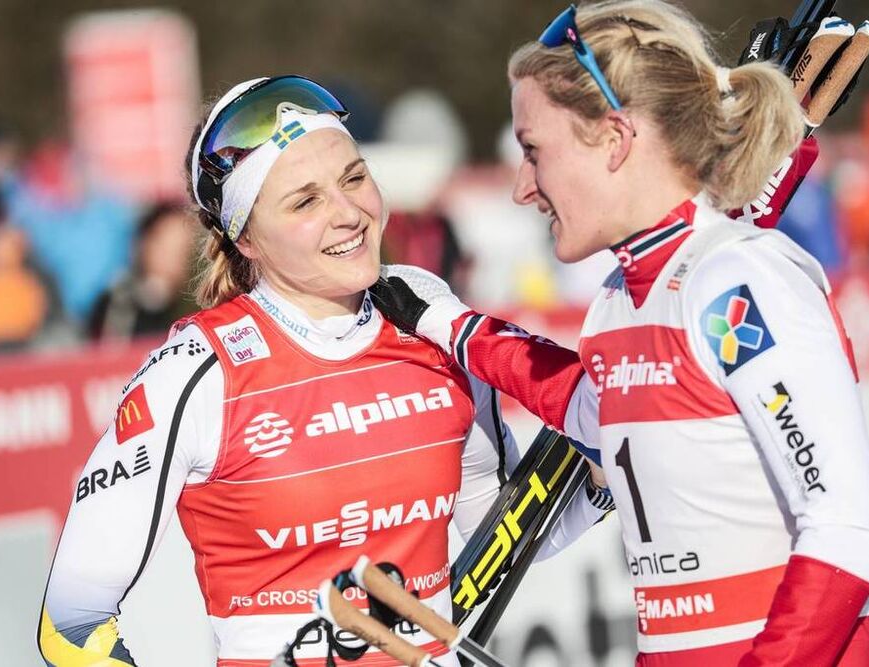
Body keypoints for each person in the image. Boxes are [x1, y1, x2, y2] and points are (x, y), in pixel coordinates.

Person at [370, 2, 869, 665]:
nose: (522, 188)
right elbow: (600, 407)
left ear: (615, 139)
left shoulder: (737, 279)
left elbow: (848, 527)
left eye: (535, 151)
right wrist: (446, 323)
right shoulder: (621, 301)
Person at [37, 75, 613, 666]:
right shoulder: (197, 371)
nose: (349, 213)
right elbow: (72, 626)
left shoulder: (425, 311)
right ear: (247, 239)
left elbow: (512, 536)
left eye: (354, 177)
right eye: (305, 201)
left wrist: (604, 473)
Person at [89, 202, 199, 340]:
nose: (170, 257)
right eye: (164, 245)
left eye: (181, 249)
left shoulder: (196, 308)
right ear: (145, 243)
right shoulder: (118, 303)